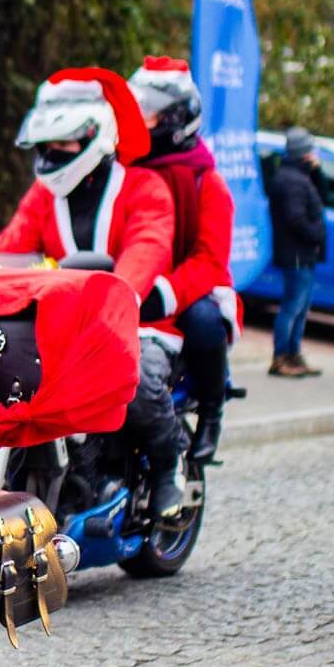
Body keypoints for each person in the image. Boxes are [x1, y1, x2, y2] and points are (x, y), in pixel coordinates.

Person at [0, 68, 186, 519]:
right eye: (46, 147)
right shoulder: (43, 196)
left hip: (137, 323)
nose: (51, 155)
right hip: (62, 328)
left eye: (63, 144)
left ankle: (168, 469)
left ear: (95, 138)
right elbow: (9, 247)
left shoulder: (144, 188)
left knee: (137, 385)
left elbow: (148, 247)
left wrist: (118, 296)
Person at [126, 57, 239, 462]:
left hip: (184, 287)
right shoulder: (123, 169)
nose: (138, 121)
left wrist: (166, 292)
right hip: (129, 280)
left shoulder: (207, 182)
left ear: (176, 119)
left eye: (148, 113)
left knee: (205, 322)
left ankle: (212, 409)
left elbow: (210, 260)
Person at [268, 127, 327, 378]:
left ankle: (293, 353)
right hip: (296, 252)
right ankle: (281, 356)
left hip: (303, 253)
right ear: (304, 152)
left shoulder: (301, 176)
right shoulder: (292, 180)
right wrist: (317, 234)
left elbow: (322, 196)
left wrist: (317, 172)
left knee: (301, 307)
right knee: (292, 306)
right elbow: (295, 218)